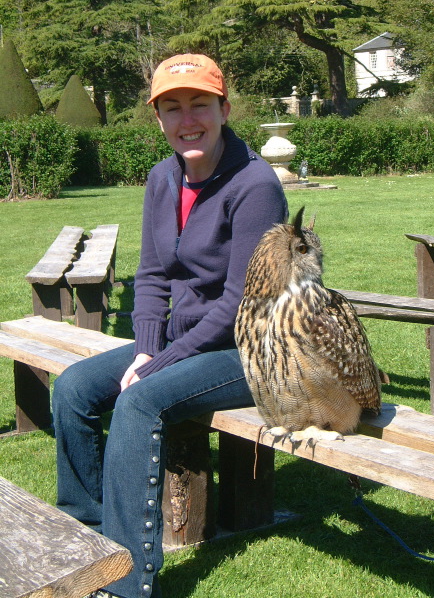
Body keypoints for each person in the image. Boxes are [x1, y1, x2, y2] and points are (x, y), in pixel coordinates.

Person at [52, 53, 288, 598]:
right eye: (173, 108)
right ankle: (86, 542)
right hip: (184, 344)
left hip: (250, 349)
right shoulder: (162, 178)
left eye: (200, 104)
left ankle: (127, 584)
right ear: (158, 119)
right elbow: (154, 274)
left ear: (224, 109)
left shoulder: (255, 185)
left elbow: (240, 302)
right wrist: (146, 350)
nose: (188, 120)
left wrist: (158, 364)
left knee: (140, 401)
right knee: (74, 388)